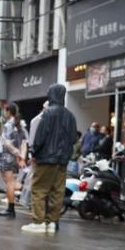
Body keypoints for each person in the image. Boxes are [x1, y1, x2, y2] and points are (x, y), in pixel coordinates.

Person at [24, 84, 77, 233]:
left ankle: (38, 222)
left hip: (46, 158)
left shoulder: (48, 114)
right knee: (57, 191)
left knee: (39, 189)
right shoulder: (70, 115)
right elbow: (73, 137)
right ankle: (52, 222)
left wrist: (33, 152)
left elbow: (40, 138)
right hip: (62, 160)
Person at [0, 105, 26, 218]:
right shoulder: (21, 124)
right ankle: (22, 189)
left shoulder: (8, 125)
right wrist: (21, 156)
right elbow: (24, 143)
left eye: (5, 111)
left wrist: (16, 153)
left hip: (6, 157)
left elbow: (7, 144)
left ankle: (10, 209)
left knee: (10, 184)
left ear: (8, 112)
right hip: (14, 159)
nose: (4, 113)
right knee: (11, 182)